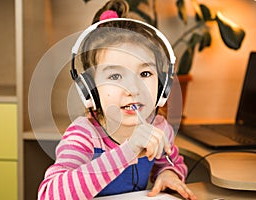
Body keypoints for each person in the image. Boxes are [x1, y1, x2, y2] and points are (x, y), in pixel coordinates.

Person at [38, 0, 196, 199]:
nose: (133, 89)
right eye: (115, 77)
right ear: (90, 90)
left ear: (162, 85)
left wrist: (168, 174)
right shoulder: (84, 136)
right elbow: (49, 194)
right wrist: (128, 151)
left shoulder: (158, 127)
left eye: (145, 74)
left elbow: (171, 163)